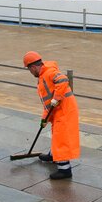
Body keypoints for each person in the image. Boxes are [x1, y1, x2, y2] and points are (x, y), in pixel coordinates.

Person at [23, 51, 80, 179]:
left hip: (65, 111)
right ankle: (53, 155)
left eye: (29, 70)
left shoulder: (49, 73)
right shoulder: (43, 75)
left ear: (33, 67)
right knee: (56, 134)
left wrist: (57, 97)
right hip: (57, 110)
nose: (30, 73)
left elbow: (63, 79)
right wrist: (44, 119)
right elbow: (48, 104)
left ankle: (65, 170)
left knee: (61, 139)